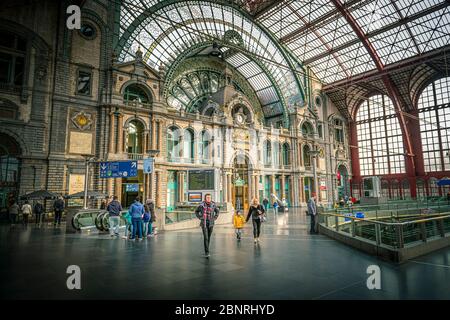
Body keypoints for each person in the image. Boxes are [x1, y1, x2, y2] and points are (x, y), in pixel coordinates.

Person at [194, 194, 219, 258]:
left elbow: (217, 211)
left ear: (211, 198)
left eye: (209, 198)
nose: (208, 199)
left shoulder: (213, 205)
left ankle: (207, 248)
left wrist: (215, 218)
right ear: (205, 198)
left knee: (209, 237)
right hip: (204, 223)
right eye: (207, 197)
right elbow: (196, 211)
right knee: (206, 237)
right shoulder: (201, 205)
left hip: (211, 223)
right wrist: (200, 217)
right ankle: (207, 252)